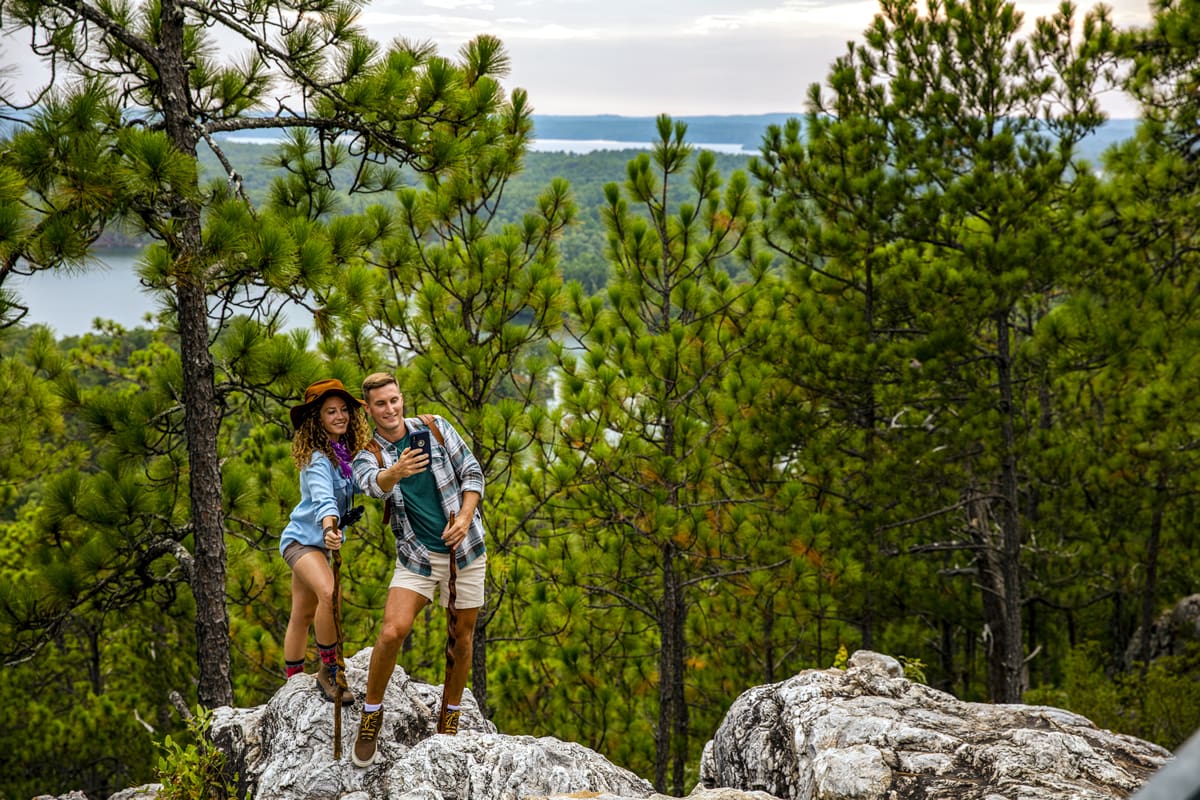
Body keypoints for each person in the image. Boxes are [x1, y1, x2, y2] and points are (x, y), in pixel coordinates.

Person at [349, 372, 487, 766]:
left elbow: (473, 472)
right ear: (369, 409)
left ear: (401, 399)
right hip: (417, 557)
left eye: (394, 400)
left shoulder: (436, 427)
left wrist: (464, 516)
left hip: (467, 550)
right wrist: (396, 472)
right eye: (380, 404)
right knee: (393, 631)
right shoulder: (369, 453)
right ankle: (371, 715)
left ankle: (450, 717)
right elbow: (370, 483)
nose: (390, 409)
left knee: (461, 638)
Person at [279, 378, 371, 705]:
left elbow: (358, 484)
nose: (340, 416)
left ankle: (292, 684)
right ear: (317, 418)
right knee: (329, 594)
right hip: (303, 543)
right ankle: (328, 671)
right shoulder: (318, 457)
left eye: (344, 410)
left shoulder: (342, 453)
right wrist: (331, 526)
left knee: (303, 613)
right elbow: (323, 498)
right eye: (331, 411)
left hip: (318, 543)